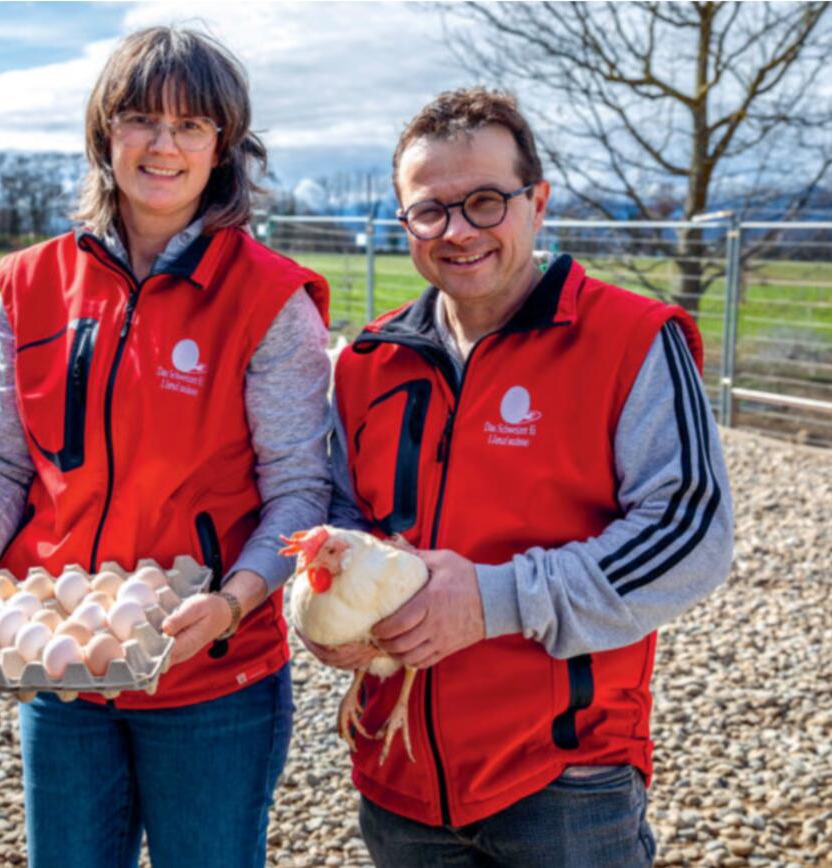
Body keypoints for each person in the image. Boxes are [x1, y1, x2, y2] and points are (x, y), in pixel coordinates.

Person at [0, 26, 333, 868]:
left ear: (224, 148)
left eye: (191, 125)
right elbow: (2, 456)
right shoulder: (32, 283)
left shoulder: (269, 300)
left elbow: (298, 493)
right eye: (141, 117)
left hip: (212, 674)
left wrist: (236, 601)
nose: (163, 144)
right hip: (63, 666)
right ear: (105, 132)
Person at [306, 88, 734, 867]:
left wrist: (488, 601)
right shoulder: (370, 361)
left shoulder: (630, 341)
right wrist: (329, 600)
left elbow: (688, 535)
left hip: (563, 778)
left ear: (536, 202)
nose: (457, 231)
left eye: (483, 202)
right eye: (429, 210)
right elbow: (341, 514)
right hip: (395, 773)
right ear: (403, 223)